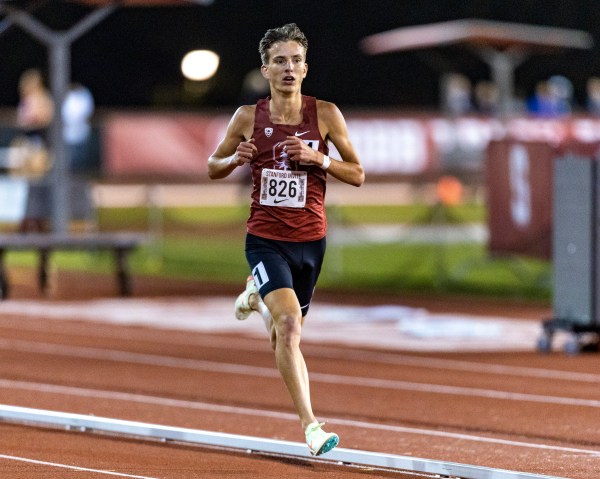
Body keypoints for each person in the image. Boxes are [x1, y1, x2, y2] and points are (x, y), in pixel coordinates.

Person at [207, 23, 364, 456]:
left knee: (281, 339)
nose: (289, 68)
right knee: (290, 327)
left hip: (311, 243)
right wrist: (232, 158)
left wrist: (320, 159)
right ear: (266, 69)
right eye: (280, 61)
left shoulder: (326, 114)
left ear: (306, 68)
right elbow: (212, 165)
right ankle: (311, 427)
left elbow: (358, 174)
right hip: (264, 239)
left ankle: (256, 296)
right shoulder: (247, 117)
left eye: (296, 61)